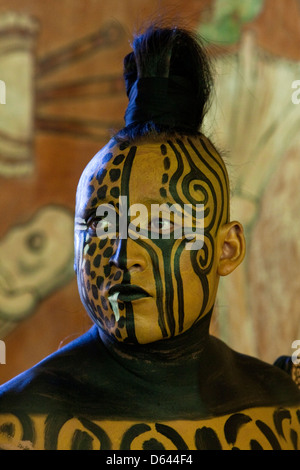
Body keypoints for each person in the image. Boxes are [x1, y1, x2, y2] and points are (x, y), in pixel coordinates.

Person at [0, 24, 299, 451]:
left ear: (227, 249)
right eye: (103, 224)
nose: (126, 255)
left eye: (162, 226)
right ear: (76, 247)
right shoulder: (17, 427)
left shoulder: (285, 411)